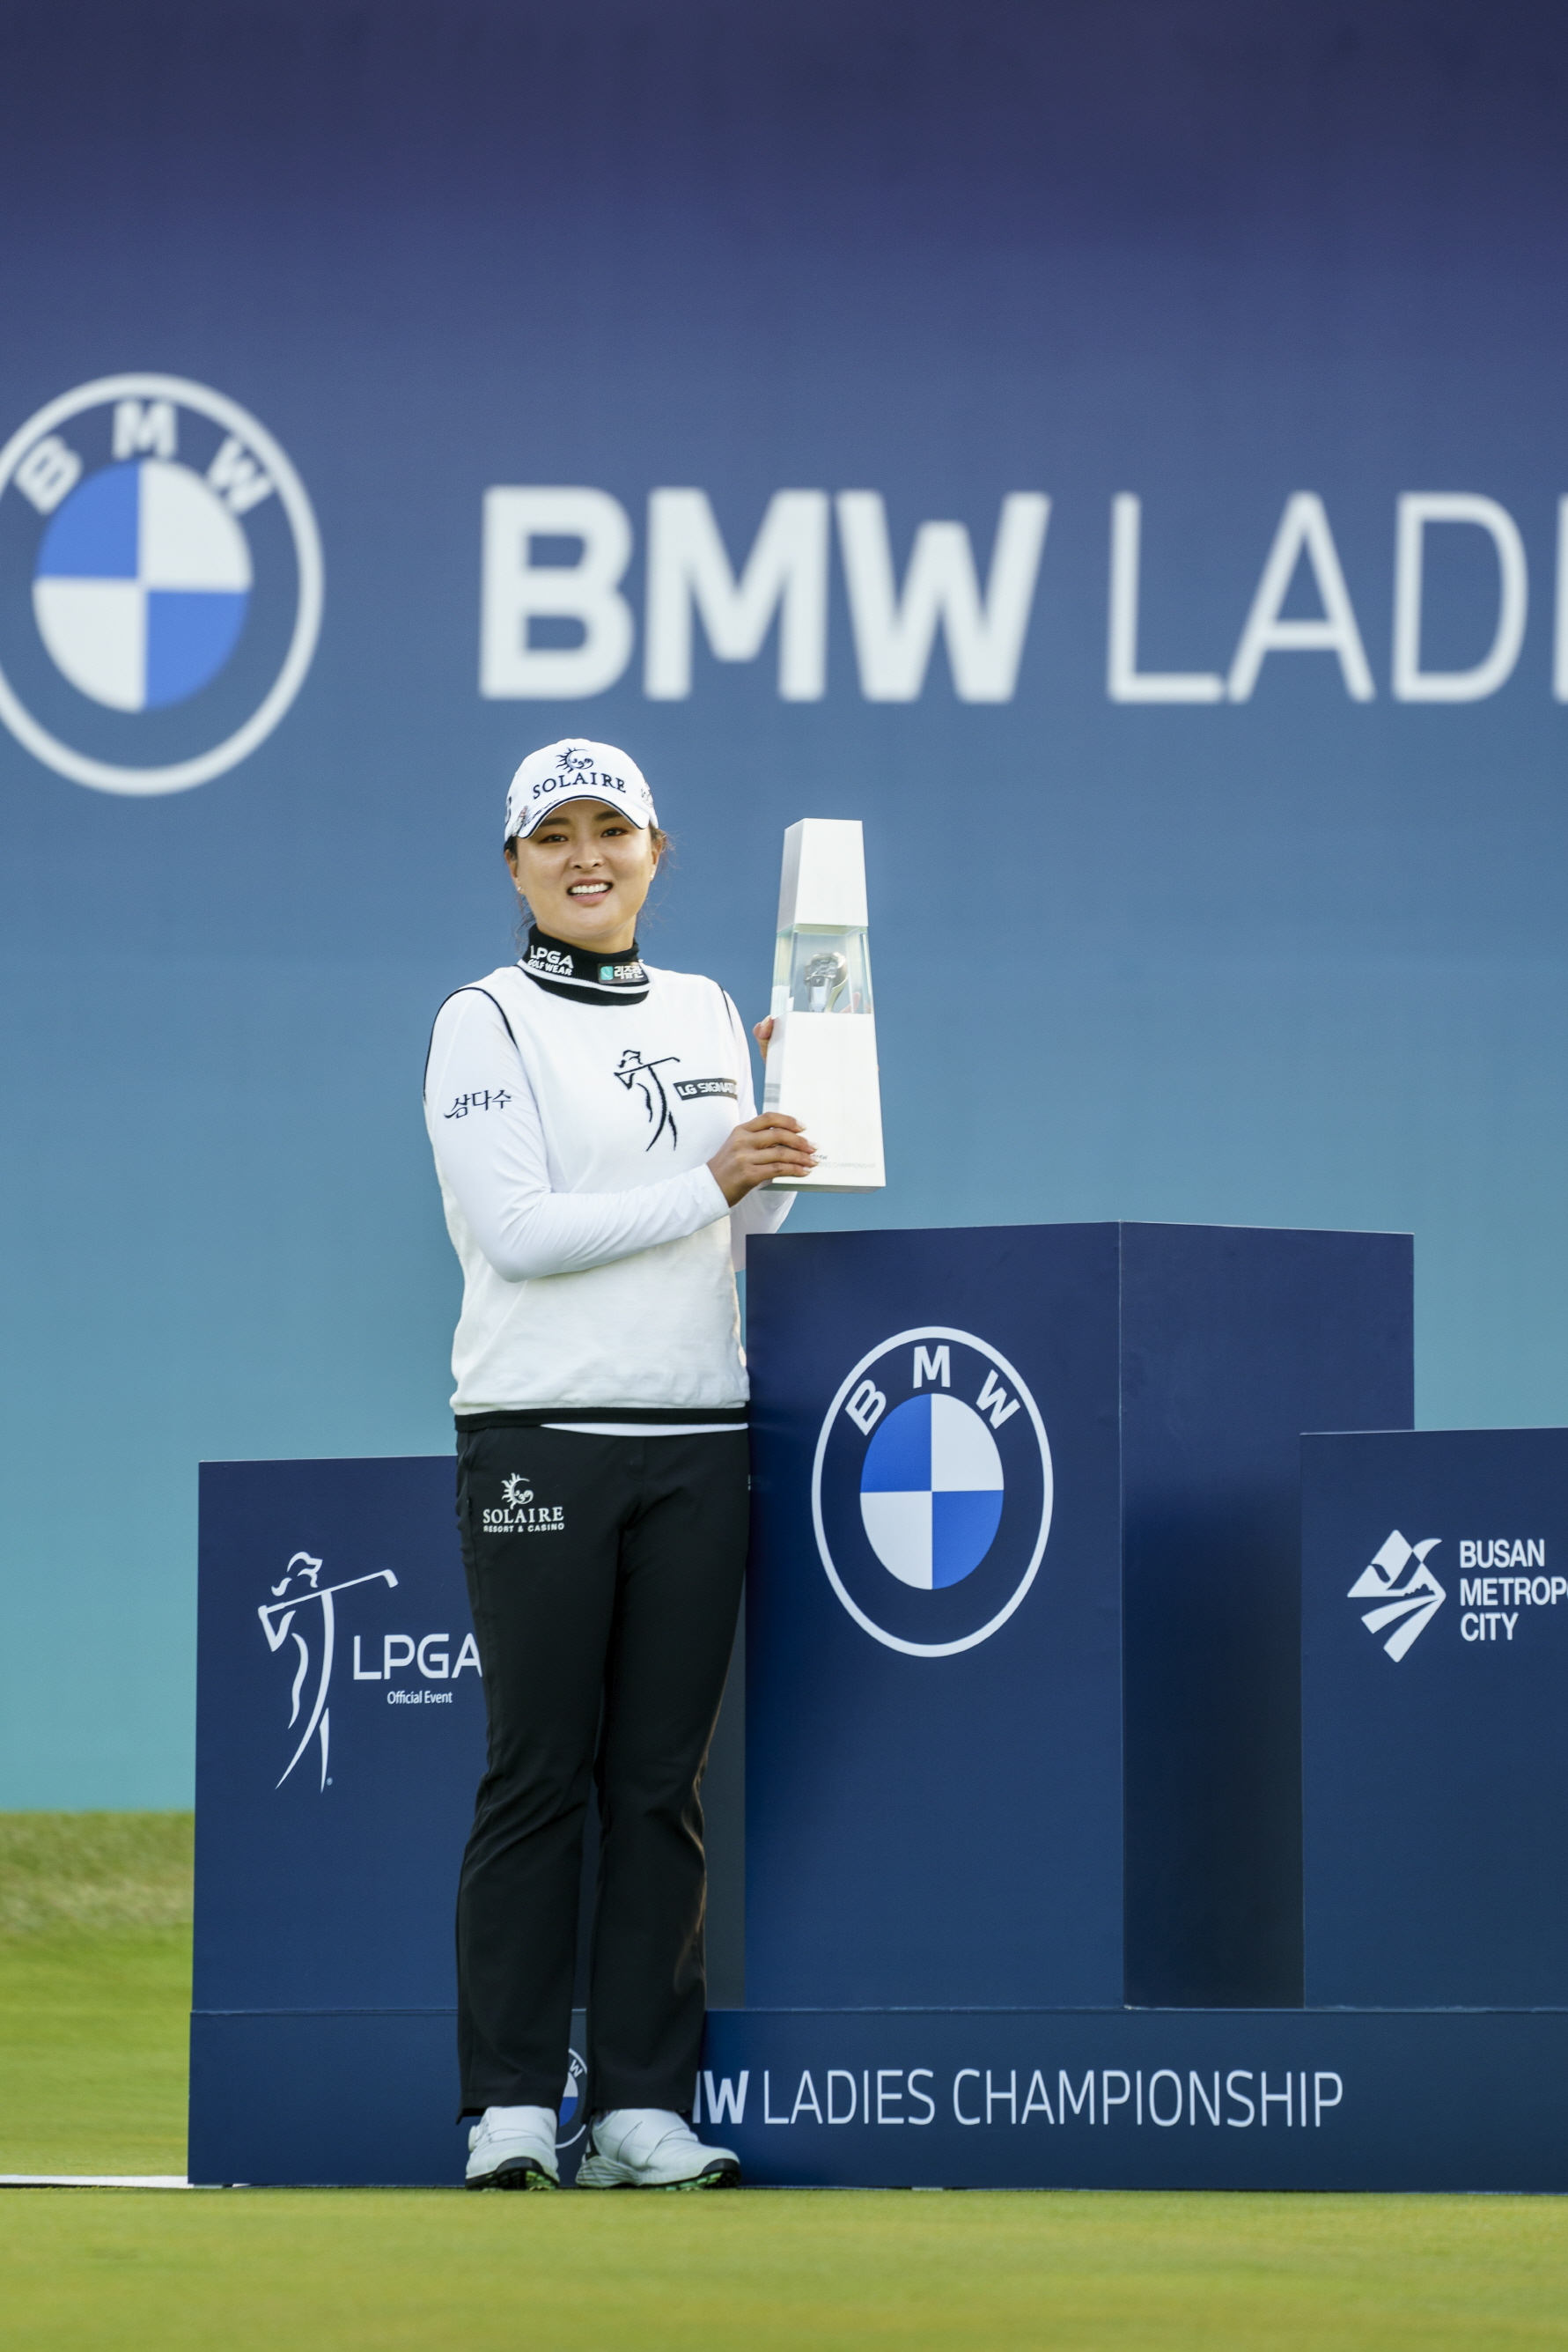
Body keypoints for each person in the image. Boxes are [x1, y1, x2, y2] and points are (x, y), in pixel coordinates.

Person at [423, 737, 814, 2191]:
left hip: (696, 1430)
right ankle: (513, 2106)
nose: (586, 857)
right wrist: (709, 1177)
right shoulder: (483, 1019)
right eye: (556, 836)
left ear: (656, 851)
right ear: (516, 865)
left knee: (660, 1786)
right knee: (539, 1774)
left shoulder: (707, 1006)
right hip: (540, 1429)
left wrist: (777, 1146)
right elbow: (519, 1233)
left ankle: (645, 2105)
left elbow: (734, 1233)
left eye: (612, 830)